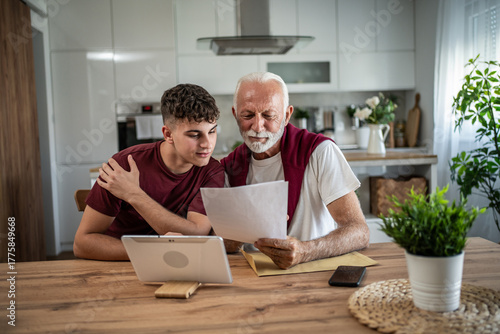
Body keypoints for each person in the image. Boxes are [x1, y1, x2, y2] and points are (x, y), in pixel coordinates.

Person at [221, 72, 370, 269]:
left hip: (315, 274)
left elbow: (359, 231)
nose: (257, 126)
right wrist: (232, 238)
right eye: (247, 115)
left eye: (269, 115)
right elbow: (223, 242)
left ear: (287, 115)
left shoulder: (320, 152)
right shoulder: (228, 168)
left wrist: (306, 251)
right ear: (235, 114)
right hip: (254, 279)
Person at [73, 84, 224, 261]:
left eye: (212, 131)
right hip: (118, 266)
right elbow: (82, 244)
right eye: (194, 135)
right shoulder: (125, 165)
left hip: (176, 262)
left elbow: (197, 234)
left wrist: (134, 195)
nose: (208, 144)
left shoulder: (212, 171)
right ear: (168, 134)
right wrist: (154, 251)